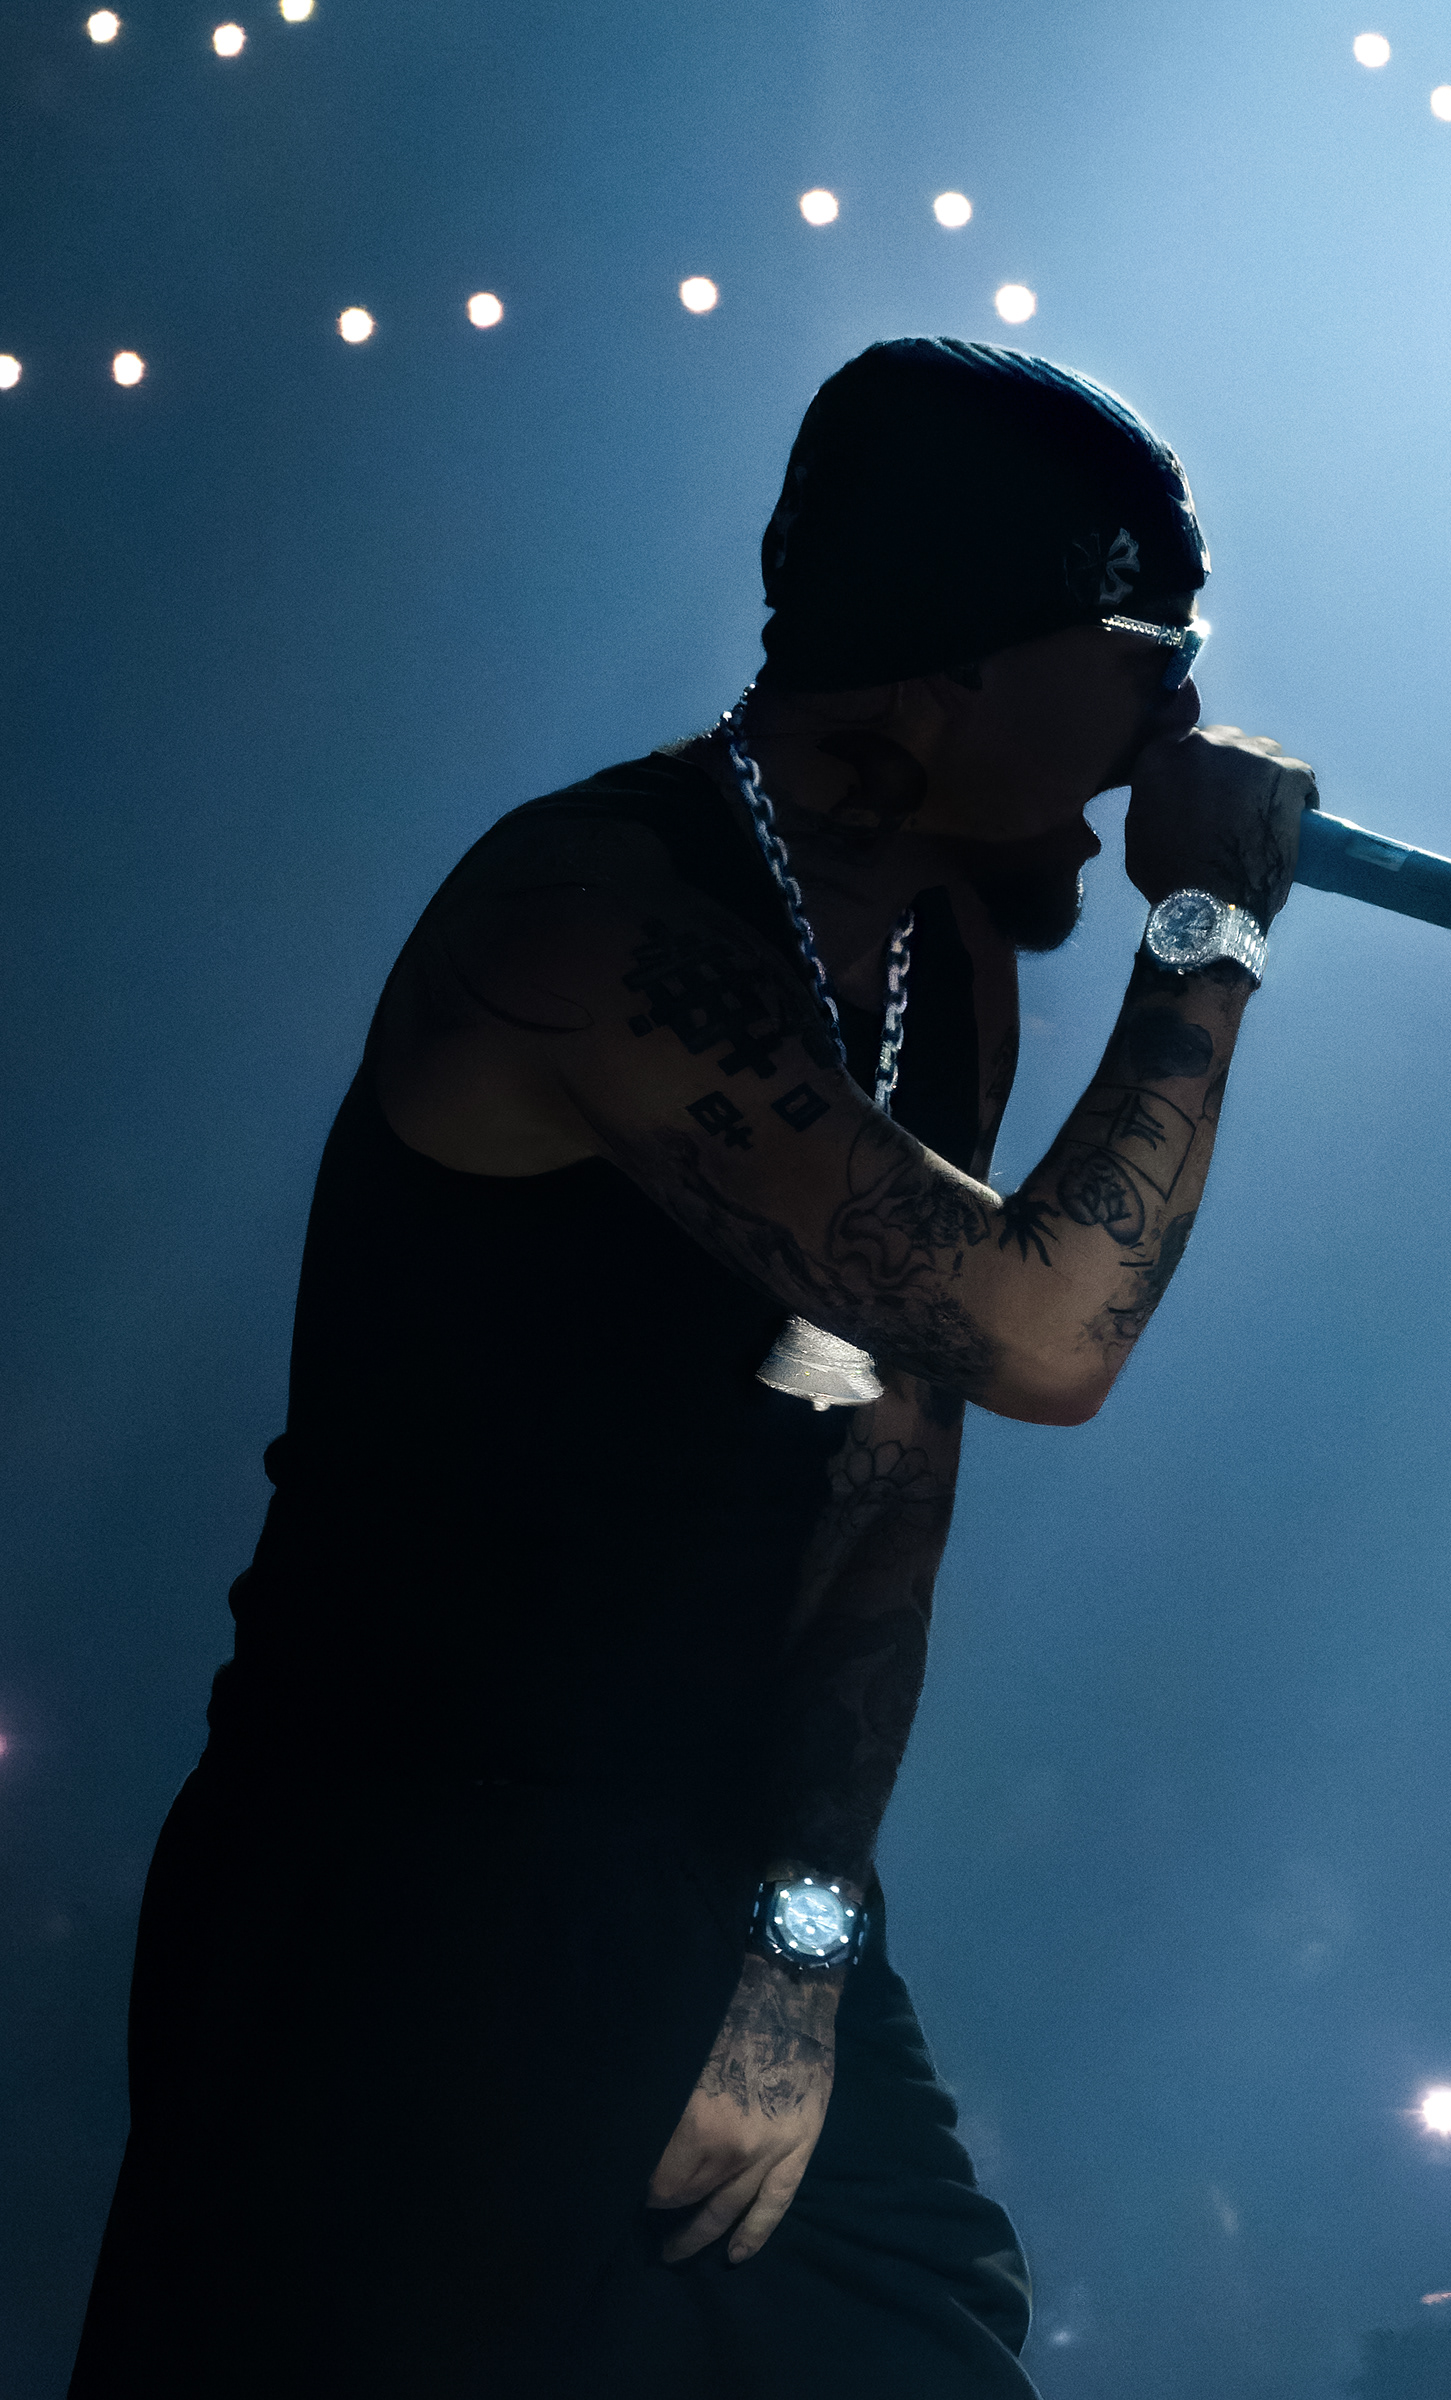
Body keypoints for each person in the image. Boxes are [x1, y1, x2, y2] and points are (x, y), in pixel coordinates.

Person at [69, 337, 1317, 2397]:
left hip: (703, 1846)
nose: (1178, 718)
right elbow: (1043, 1330)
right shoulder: (587, 928)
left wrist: (799, 1952)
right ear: (959, 658)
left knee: (917, 2342)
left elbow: (895, 1464)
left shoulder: (942, 958)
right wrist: (1209, 933)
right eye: (1148, 653)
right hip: (408, 1866)